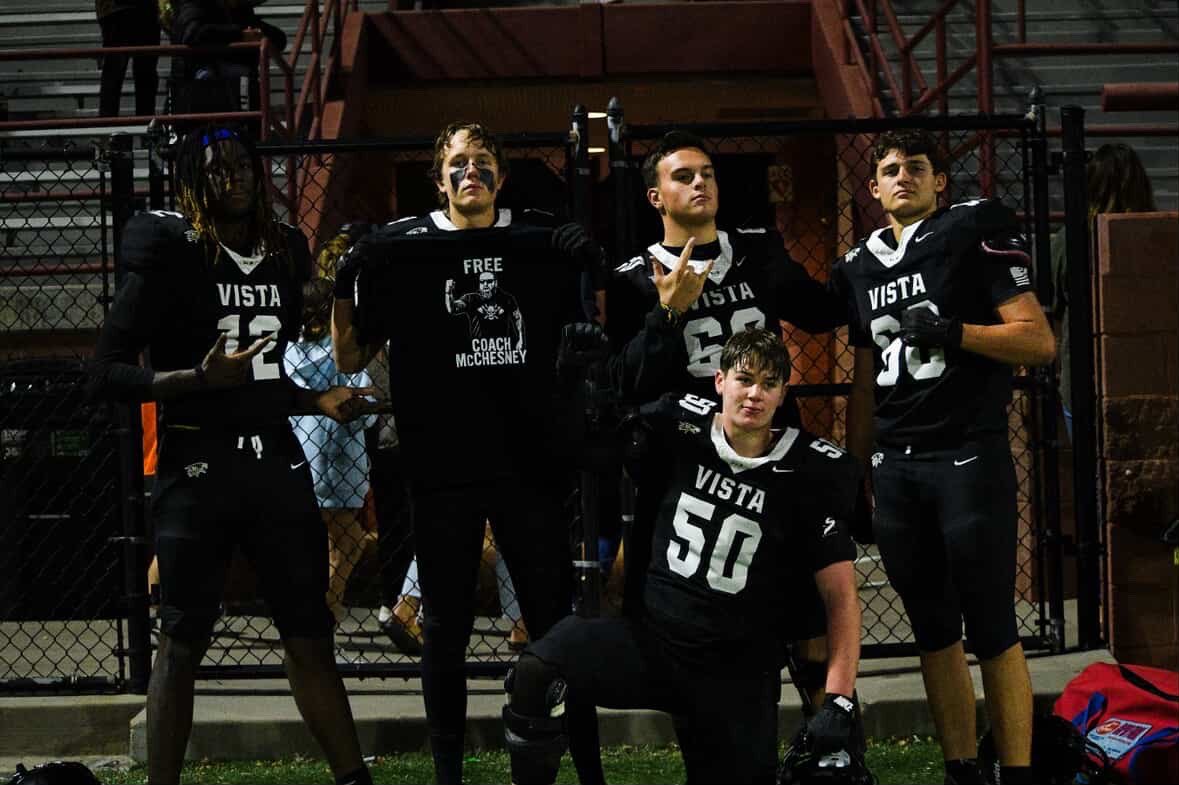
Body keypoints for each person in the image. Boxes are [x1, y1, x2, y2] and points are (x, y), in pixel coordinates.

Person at [88, 124, 374, 785]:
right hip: (196, 462)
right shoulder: (170, 251)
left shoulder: (282, 251)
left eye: (243, 166)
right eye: (217, 170)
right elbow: (102, 374)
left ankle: (354, 779)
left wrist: (315, 401)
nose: (234, 178)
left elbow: (261, 375)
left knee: (309, 634)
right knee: (181, 642)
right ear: (193, 181)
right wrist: (193, 380)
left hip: (273, 461)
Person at [330, 121, 614, 785]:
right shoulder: (403, 249)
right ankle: (448, 775)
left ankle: (591, 771)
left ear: (500, 175)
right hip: (441, 467)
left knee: (554, 627)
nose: (471, 174)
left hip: (529, 462)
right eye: (458, 163)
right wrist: (347, 279)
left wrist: (584, 262)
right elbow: (348, 355)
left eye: (483, 162)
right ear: (438, 178)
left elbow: (589, 317)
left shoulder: (537, 235)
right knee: (446, 631)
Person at [503, 328, 864, 785]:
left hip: (735, 671)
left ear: (781, 394)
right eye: (744, 379)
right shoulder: (678, 428)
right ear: (719, 381)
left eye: (768, 383)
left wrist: (840, 699)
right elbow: (587, 450)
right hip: (654, 644)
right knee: (536, 671)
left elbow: (842, 598)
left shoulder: (812, 471)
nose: (754, 393)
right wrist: (574, 389)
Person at [829, 129, 1056, 785]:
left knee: (990, 619)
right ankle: (960, 767)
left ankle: (1015, 770)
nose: (903, 176)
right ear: (871, 187)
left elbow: (1038, 341)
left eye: (916, 167)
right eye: (890, 169)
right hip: (896, 465)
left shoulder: (970, 230)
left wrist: (954, 331)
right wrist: (856, 468)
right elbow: (864, 377)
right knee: (931, 625)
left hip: (965, 453)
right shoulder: (858, 265)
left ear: (938, 182)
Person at [607, 130, 850, 719]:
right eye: (683, 176)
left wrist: (864, 265)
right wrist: (669, 312)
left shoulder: (757, 252)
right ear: (655, 198)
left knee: (805, 619)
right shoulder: (634, 278)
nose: (700, 184)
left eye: (707, 174)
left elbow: (822, 311)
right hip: (685, 471)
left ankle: (832, 749)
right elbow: (625, 385)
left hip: (769, 463)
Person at [1049, 142, 1156, 440]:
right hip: (1152, 379)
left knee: (1091, 477)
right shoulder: (1160, 237)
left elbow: (1052, 311)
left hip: (1084, 381)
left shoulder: (1070, 240)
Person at [285, 277, 376, 625]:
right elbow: (362, 407)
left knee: (325, 541)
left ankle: (322, 608)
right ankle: (327, 607)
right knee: (349, 540)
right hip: (340, 459)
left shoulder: (289, 352)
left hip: (302, 456)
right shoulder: (342, 353)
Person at [170, 0, 286, 117]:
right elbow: (192, 33)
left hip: (235, 90)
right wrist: (240, 35)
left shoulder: (238, 10)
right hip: (197, 88)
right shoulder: (195, 4)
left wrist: (258, 35)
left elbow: (279, 39)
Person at [95, 0, 160, 118]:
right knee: (144, 75)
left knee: (114, 74)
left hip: (117, 11)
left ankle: (107, 126)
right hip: (139, 10)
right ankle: (145, 127)